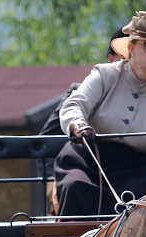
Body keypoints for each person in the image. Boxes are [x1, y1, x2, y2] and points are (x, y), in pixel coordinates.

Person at [55, 11, 146, 217]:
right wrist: (77, 125)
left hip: (137, 171)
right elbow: (74, 105)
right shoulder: (104, 74)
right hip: (89, 161)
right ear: (132, 48)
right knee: (74, 187)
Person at [38, 28, 129, 215]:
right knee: (73, 187)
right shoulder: (80, 92)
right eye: (127, 57)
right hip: (83, 170)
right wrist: (51, 179)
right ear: (111, 59)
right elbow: (46, 139)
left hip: (128, 171)